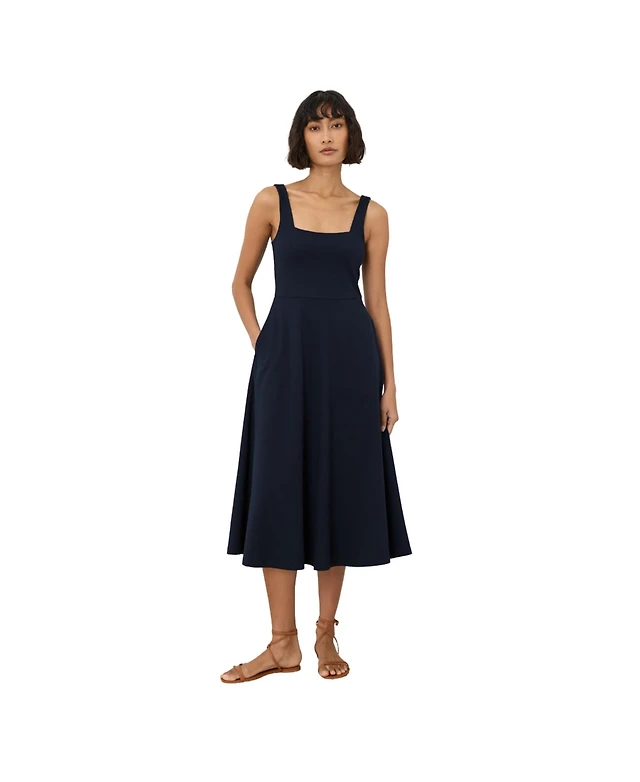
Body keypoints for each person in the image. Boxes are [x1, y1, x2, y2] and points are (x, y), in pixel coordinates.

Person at [221, 90, 412, 684]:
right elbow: (240, 283)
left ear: (350, 135)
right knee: (277, 490)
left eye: (336, 125)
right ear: (300, 137)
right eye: (314, 126)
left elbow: (378, 303)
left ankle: (325, 633)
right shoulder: (271, 200)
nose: (326, 136)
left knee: (335, 490)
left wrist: (390, 385)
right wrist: (264, 342)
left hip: (350, 367)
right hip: (285, 363)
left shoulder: (372, 214)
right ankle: (282, 643)